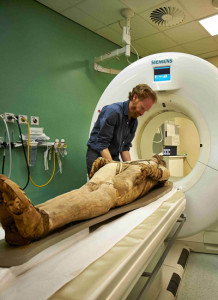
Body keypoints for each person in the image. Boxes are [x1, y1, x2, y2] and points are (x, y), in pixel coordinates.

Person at [0, 155, 169, 246]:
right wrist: (108, 163)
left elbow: (165, 175)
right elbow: (121, 163)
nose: (155, 157)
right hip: (117, 168)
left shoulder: (157, 168)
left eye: (158, 158)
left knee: (100, 196)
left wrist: (156, 170)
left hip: (131, 178)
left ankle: (37, 223)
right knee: (84, 190)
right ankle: (27, 216)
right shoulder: (141, 160)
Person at [86, 84, 157, 176]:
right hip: (98, 156)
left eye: (145, 111)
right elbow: (102, 144)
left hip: (114, 156)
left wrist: (132, 169)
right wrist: (113, 168)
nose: (142, 113)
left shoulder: (134, 122)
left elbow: (124, 148)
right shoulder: (113, 112)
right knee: (101, 187)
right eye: (142, 108)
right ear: (135, 97)